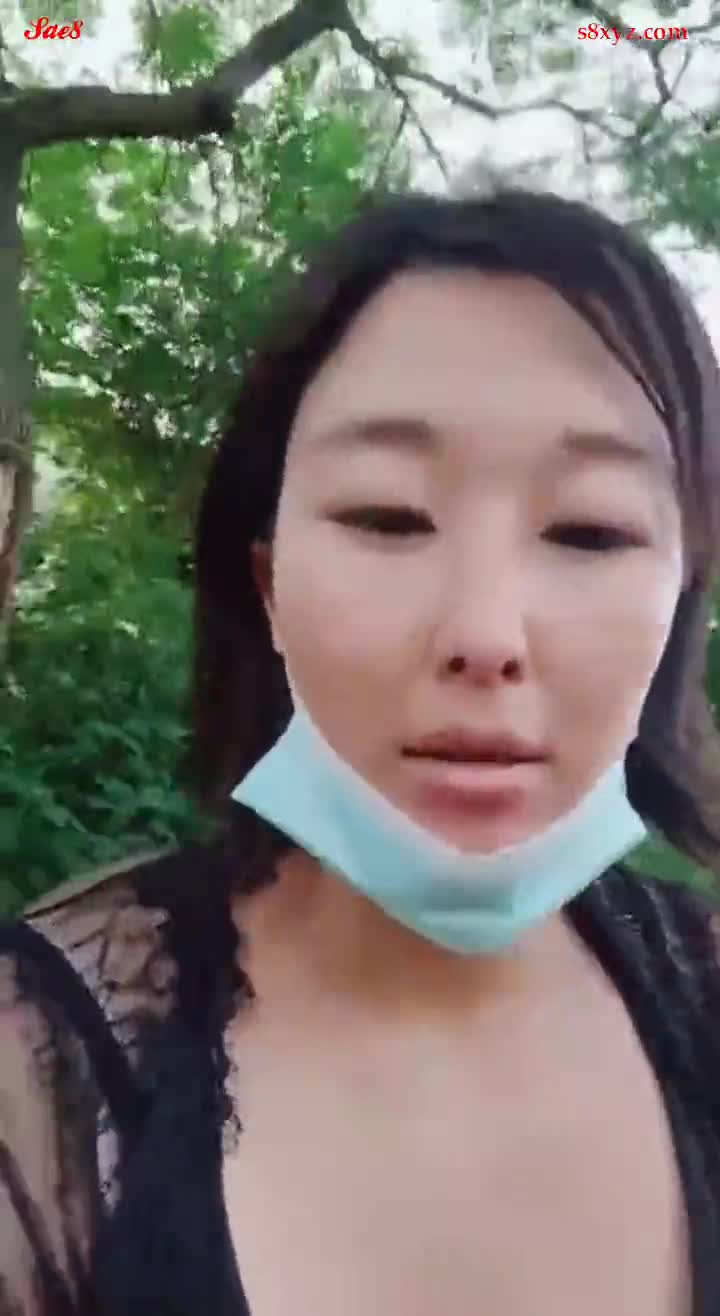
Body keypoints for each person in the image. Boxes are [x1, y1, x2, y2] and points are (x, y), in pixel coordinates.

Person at [2, 187, 720, 1316]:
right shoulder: (36, 1064)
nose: (485, 633)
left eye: (589, 529)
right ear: (268, 584)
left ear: (680, 600)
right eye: (388, 517)